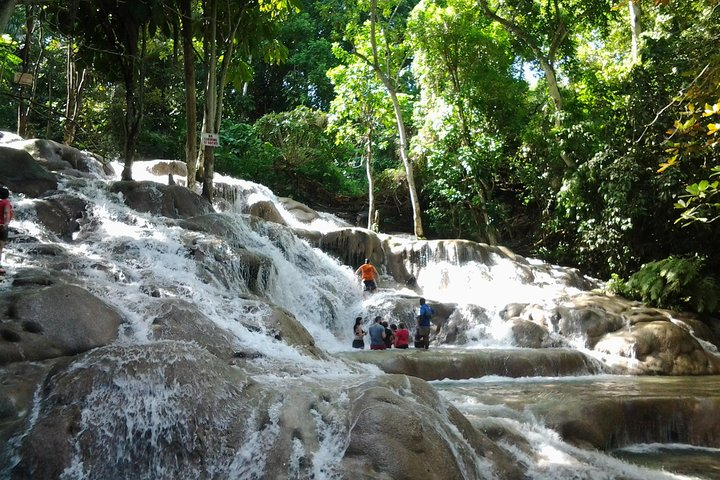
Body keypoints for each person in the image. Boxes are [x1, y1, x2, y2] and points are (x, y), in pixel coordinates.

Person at [0, 186, 13, 275]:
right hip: (1, 226)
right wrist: (6, 224)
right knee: (0, 247)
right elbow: (6, 213)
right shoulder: (6, 202)